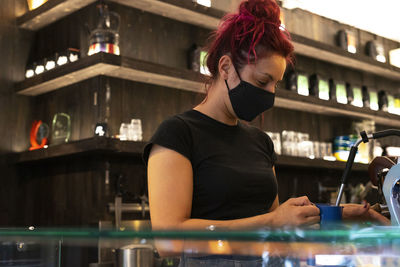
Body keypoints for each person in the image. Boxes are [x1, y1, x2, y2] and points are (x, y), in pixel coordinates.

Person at [143, 0, 390, 264]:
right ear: (226, 68)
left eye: (276, 84)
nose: (270, 93)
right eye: (262, 81)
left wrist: (343, 216)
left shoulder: (260, 141)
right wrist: (273, 221)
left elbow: (275, 232)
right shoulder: (178, 133)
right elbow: (168, 240)